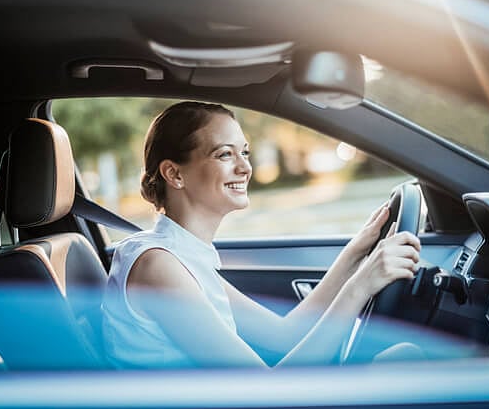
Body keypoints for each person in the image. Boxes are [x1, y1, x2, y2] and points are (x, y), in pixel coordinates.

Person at [101, 101, 422, 369]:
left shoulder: (181, 256)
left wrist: (354, 254)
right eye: (225, 154)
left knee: (402, 358)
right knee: (405, 360)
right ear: (174, 173)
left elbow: (284, 334)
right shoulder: (159, 267)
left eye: (245, 153)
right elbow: (268, 392)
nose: (245, 168)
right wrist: (361, 286)